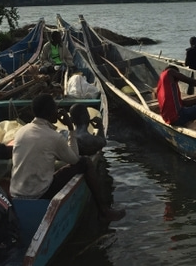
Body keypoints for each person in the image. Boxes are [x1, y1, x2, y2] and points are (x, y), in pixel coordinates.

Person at [10, 94, 124, 222]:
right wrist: (70, 128)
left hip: (15, 192)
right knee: (85, 162)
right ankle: (104, 211)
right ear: (51, 113)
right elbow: (75, 159)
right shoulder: (53, 137)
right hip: (38, 194)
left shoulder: (21, 131)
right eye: (56, 109)